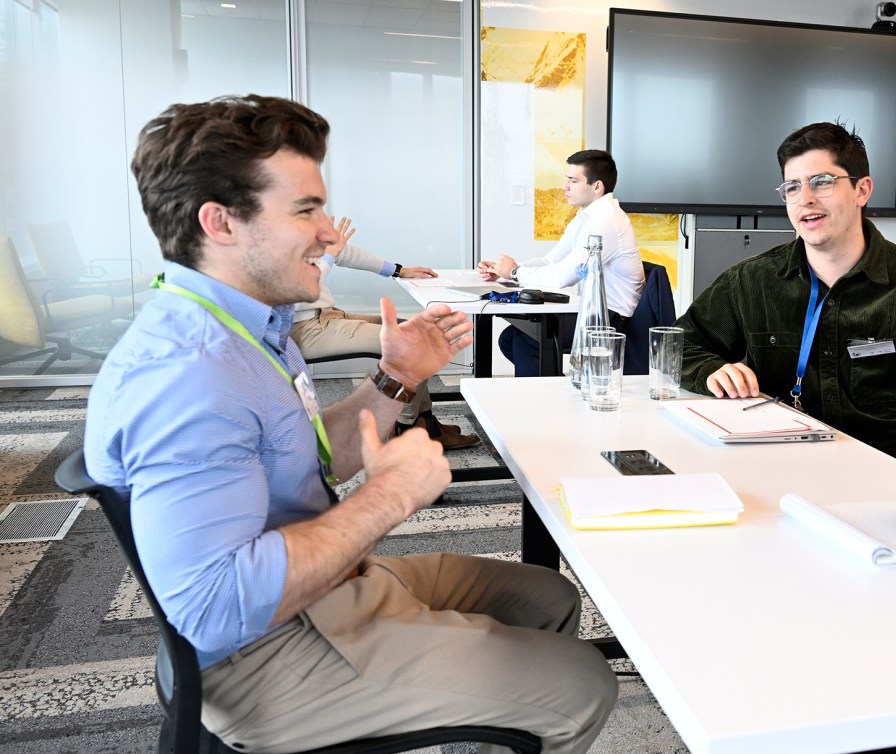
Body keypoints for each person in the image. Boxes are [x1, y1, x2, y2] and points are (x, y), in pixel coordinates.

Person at [84, 94, 617, 754]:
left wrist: (394, 380)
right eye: (306, 210)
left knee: (544, 597)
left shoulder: (249, 326)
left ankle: (477, 706)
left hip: (330, 585)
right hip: (263, 655)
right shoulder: (189, 377)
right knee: (584, 683)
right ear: (220, 222)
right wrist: (388, 497)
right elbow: (216, 609)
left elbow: (308, 456)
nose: (331, 234)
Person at [675, 122, 896, 468]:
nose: (806, 199)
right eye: (792, 187)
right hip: (782, 470)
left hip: (890, 477)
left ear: (862, 190)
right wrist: (711, 369)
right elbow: (678, 345)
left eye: (822, 182)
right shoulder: (751, 282)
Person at [292, 214, 480, 448]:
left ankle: (424, 423)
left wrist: (398, 270)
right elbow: (297, 291)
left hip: (326, 315)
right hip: (303, 328)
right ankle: (406, 428)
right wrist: (330, 254)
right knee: (414, 345)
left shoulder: (294, 225)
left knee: (425, 334)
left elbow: (343, 253)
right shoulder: (266, 237)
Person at [476, 149, 644, 376]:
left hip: (610, 320)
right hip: (592, 310)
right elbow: (551, 260)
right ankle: (552, 392)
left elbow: (562, 277)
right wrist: (504, 272)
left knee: (527, 341)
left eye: (573, 181)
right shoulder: (586, 217)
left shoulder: (605, 222)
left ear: (597, 187)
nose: (565, 186)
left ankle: (542, 403)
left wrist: (516, 271)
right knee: (510, 338)